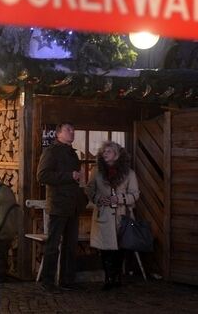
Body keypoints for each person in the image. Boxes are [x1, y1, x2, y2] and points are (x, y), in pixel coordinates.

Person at [36, 122, 87, 293]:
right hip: (58, 205)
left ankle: (67, 280)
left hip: (72, 206)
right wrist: (68, 175)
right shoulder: (52, 151)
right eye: (68, 130)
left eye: (73, 129)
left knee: (70, 245)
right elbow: (42, 175)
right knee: (53, 244)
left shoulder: (72, 153)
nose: (72, 132)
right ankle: (48, 282)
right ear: (58, 134)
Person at [87, 141, 140, 290]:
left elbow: (135, 194)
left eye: (108, 151)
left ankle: (117, 276)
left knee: (120, 248)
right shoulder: (96, 171)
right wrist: (98, 198)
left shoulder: (129, 173)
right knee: (105, 249)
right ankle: (108, 277)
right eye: (104, 151)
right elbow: (90, 189)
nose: (105, 154)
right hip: (103, 215)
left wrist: (121, 199)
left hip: (121, 215)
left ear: (116, 155)